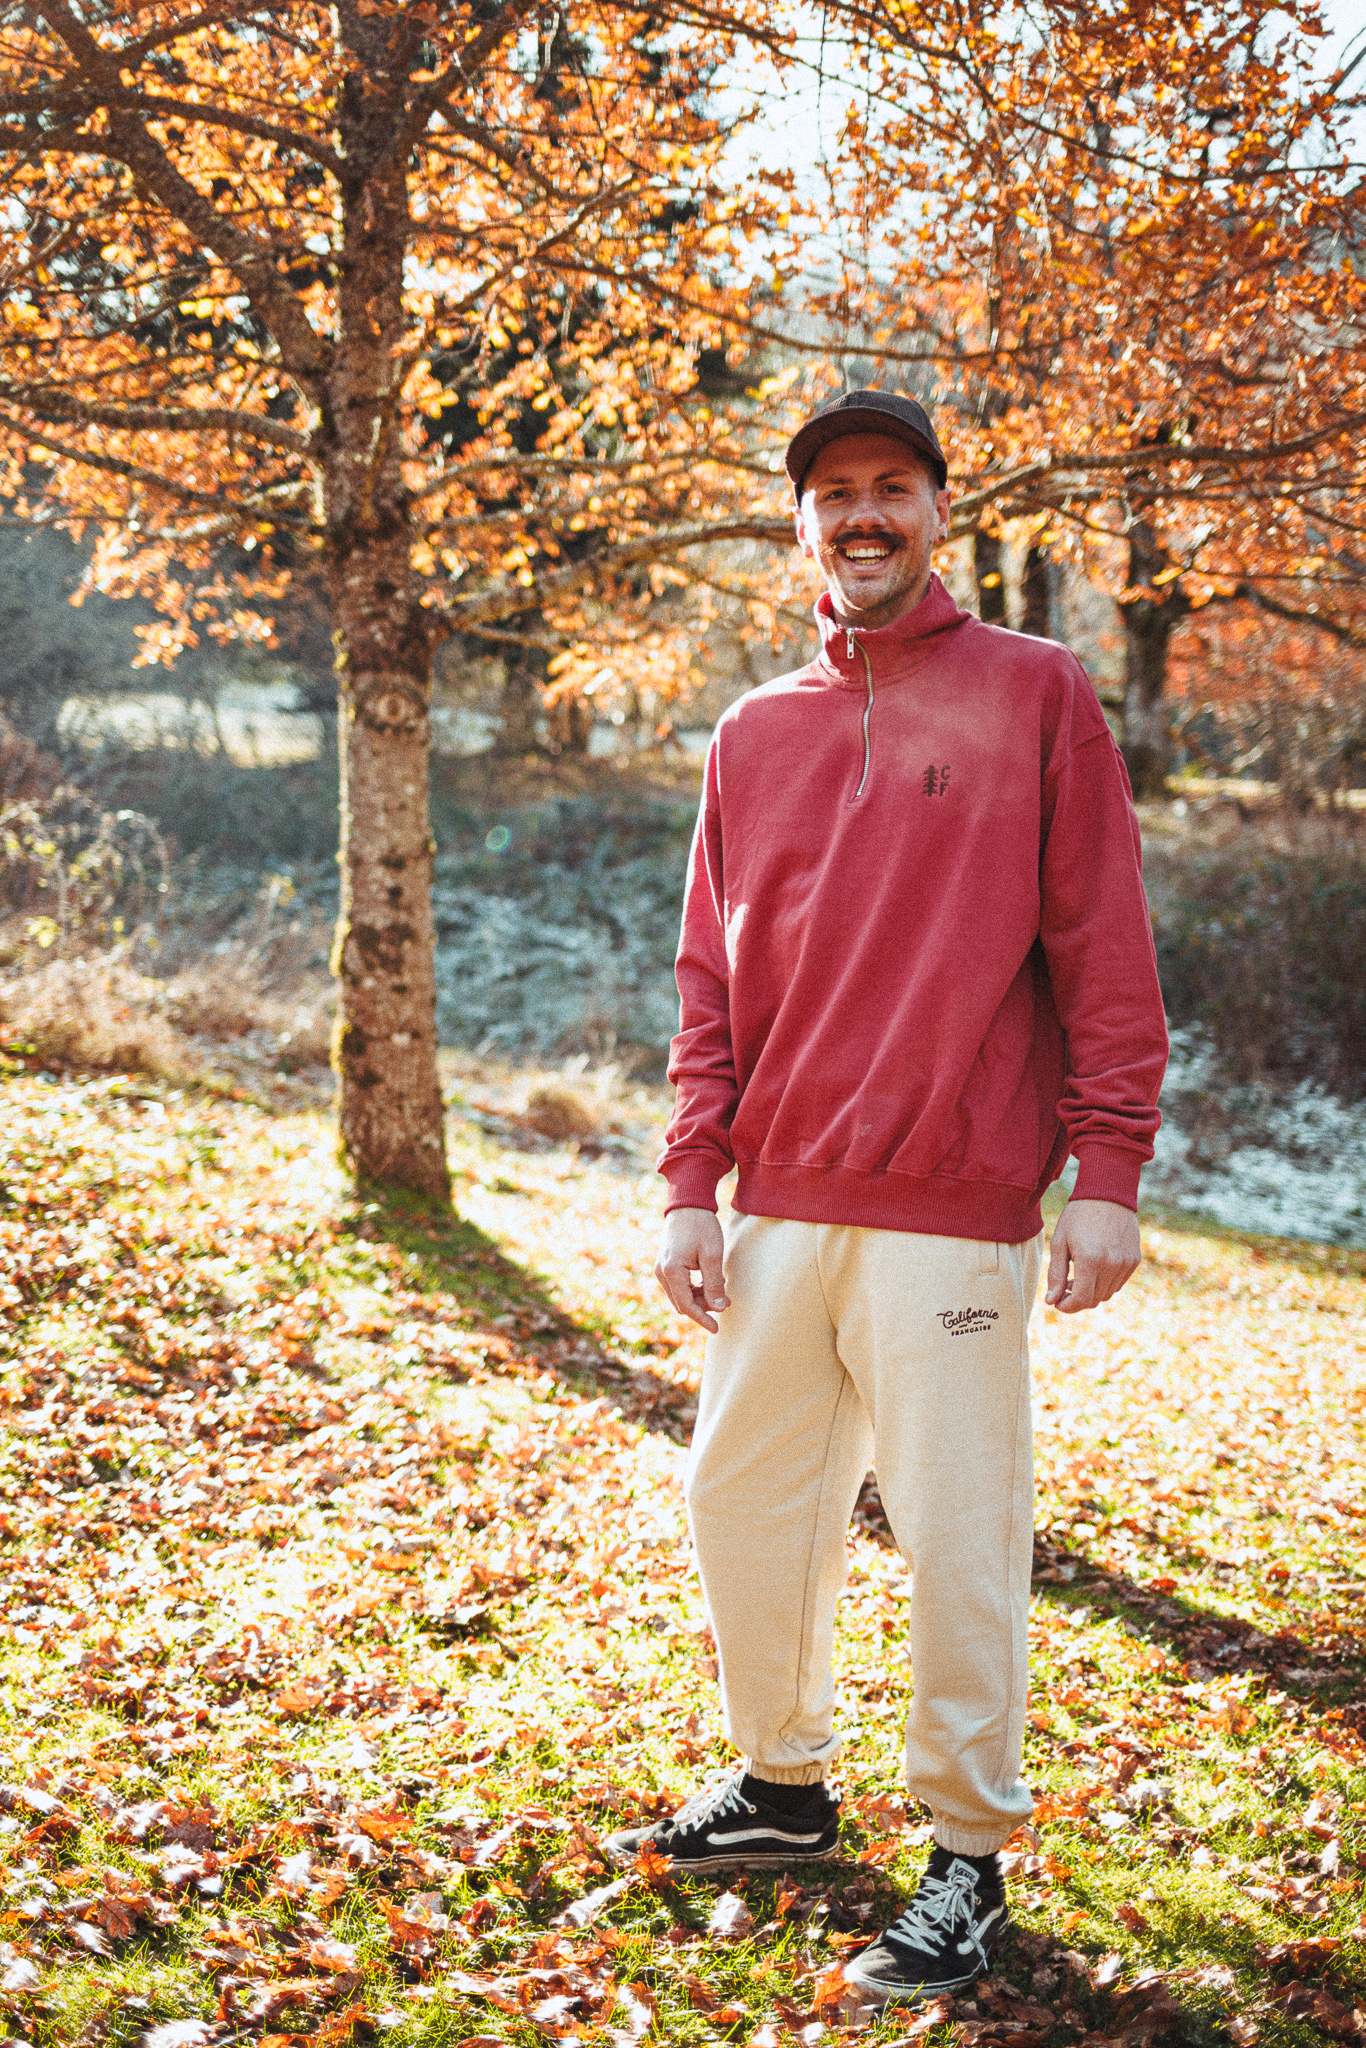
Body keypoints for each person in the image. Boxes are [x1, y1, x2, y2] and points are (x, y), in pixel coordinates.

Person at [601, 388, 1168, 2005]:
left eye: (891, 486)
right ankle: (781, 1785)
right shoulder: (751, 731)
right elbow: (708, 979)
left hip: (953, 1200)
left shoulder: (1035, 692)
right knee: (742, 1499)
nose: (861, 513)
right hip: (777, 1197)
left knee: (955, 1533)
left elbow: (1102, 946)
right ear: (801, 525)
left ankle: (966, 1857)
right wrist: (689, 1179)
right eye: (832, 491)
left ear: (935, 513)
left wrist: (1107, 1170)